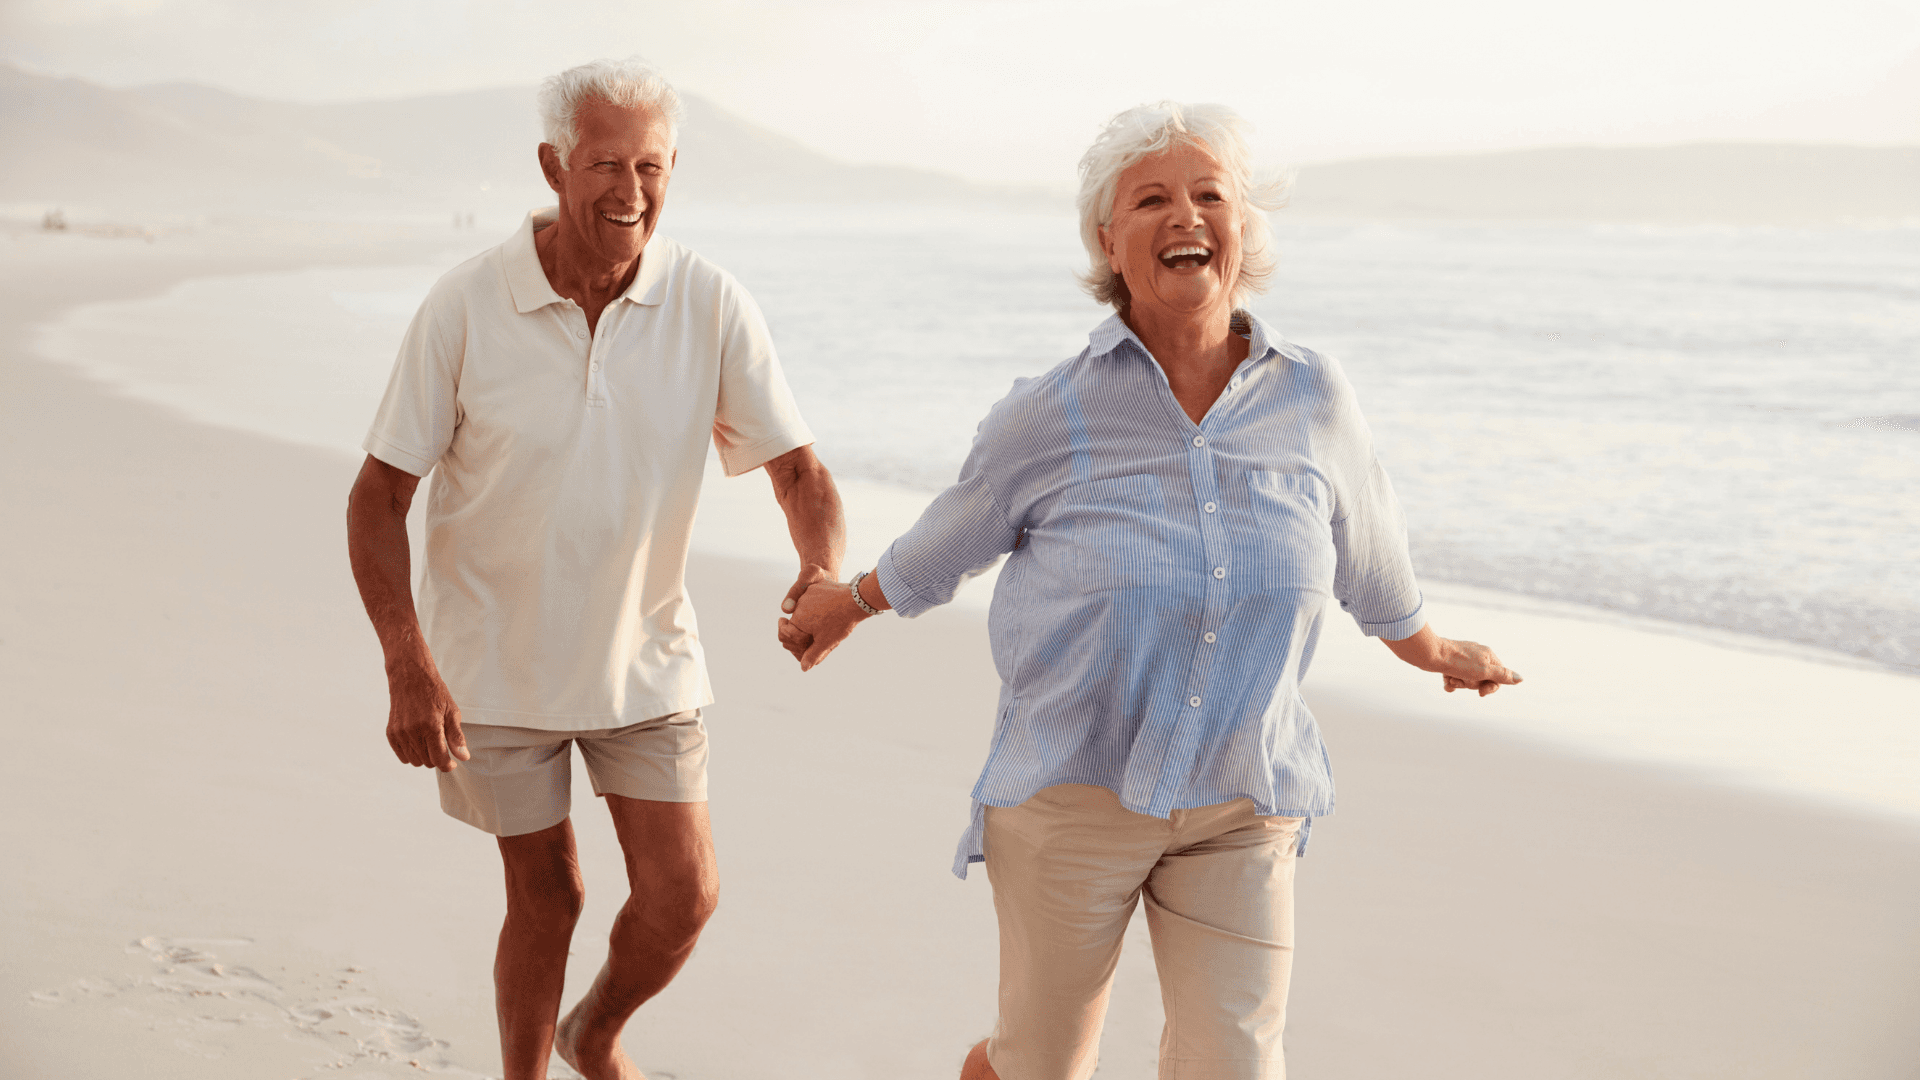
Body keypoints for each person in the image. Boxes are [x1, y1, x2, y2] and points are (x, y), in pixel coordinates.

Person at [781, 101, 1521, 1080]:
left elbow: (1369, 545)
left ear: (1242, 227)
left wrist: (1430, 649)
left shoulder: (1312, 395)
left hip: (1242, 793)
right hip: (1072, 791)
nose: (1187, 216)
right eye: (1152, 200)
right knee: (1041, 1063)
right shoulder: (1052, 413)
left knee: (1236, 1063)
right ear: (1108, 240)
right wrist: (850, 600)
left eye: (1211, 195)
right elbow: (952, 535)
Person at [346, 58, 844, 1080]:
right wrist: (406, 662)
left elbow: (798, 470)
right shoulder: (467, 303)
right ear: (553, 166)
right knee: (549, 896)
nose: (631, 190)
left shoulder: (707, 301)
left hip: (643, 656)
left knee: (683, 896)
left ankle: (595, 1033)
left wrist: (822, 570)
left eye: (651, 166)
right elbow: (379, 497)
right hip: (493, 663)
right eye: (606, 165)